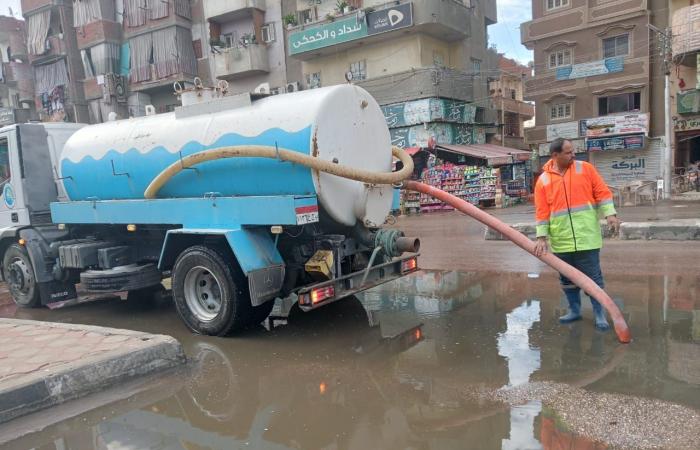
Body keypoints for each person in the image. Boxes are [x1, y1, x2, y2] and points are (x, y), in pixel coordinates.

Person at [533, 138, 621, 331]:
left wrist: (610, 215)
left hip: (586, 237)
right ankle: (575, 310)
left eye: (573, 151)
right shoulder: (543, 180)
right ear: (555, 155)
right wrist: (541, 237)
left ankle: (599, 313)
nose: (573, 155)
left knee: (593, 279)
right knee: (567, 280)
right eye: (568, 152)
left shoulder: (585, 168)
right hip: (561, 239)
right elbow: (542, 212)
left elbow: (602, 192)